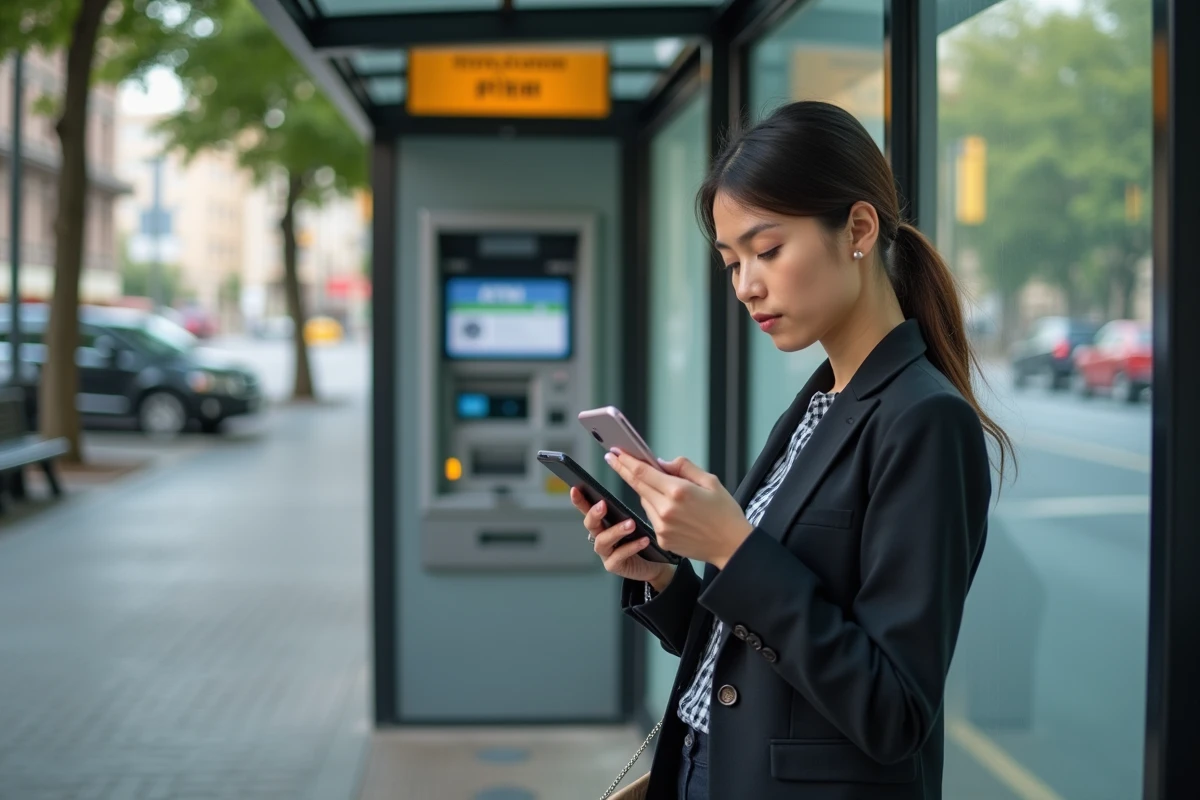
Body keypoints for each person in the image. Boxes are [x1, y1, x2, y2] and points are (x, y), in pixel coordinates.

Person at [570, 100, 1013, 800]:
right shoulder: (815, 405)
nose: (747, 284)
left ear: (858, 229)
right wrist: (662, 575)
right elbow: (759, 656)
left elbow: (893, 712)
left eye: (768, 249)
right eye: (730, 262)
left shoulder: (926, 421)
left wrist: (734, 548)